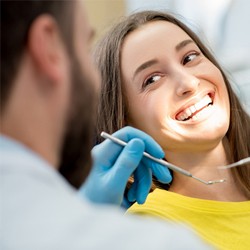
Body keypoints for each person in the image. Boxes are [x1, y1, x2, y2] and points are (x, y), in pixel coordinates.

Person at [0, 1, 213, 249]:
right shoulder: (158, 240)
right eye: (84, 45)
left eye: (189, 57)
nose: (189, 83)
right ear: (48, 47)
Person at [93, 10, 250, 250]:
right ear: (126, 122)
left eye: (189, 58)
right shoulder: (148, 231)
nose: (189, 83)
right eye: (152, 80)